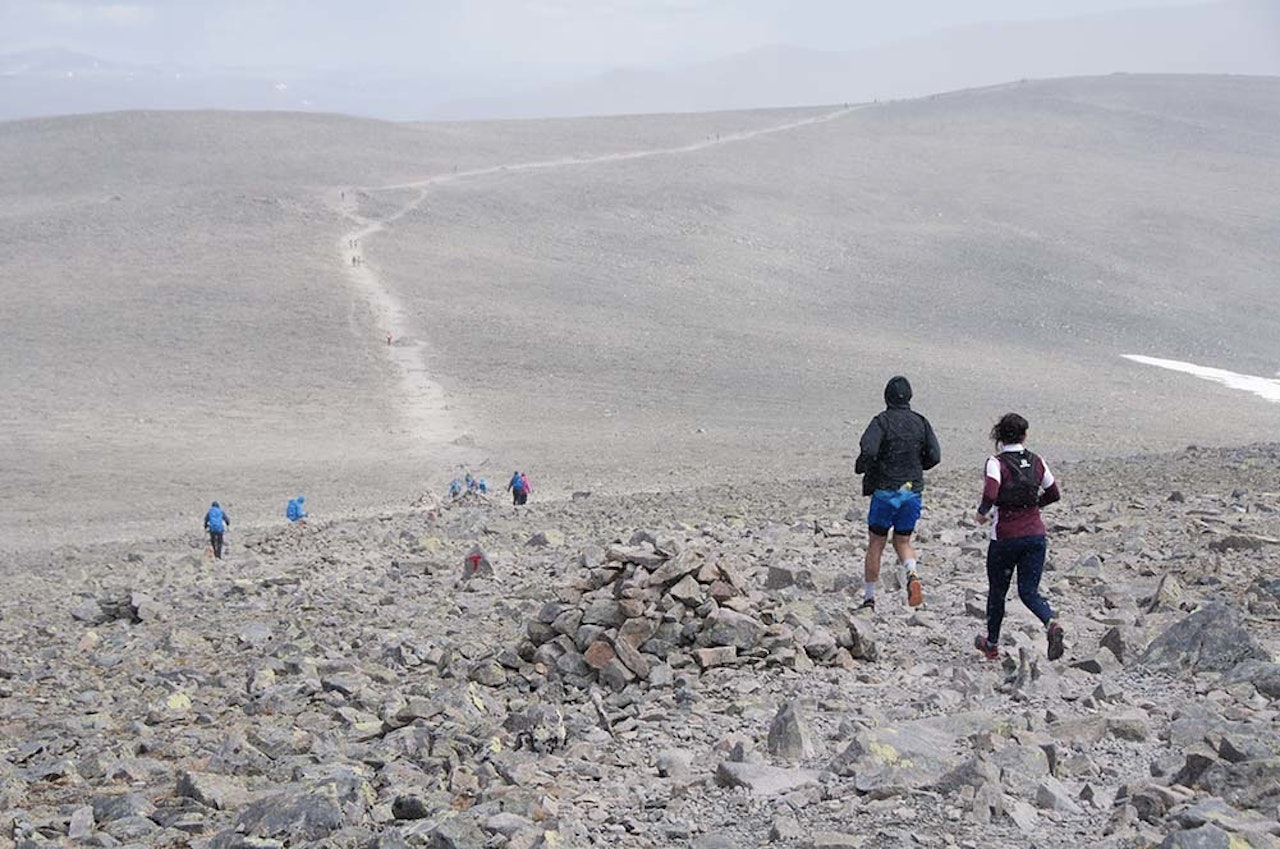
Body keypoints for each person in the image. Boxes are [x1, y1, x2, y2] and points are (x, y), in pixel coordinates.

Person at [974, 413, 1065, 661]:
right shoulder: (1037, 461)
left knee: (998, 592)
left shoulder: (996, 462)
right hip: (1035, 535)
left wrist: (982, 513)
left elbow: (991, 491)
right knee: (1028, 591)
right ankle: (1051, 622)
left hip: (1005, 537)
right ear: (1025, 435)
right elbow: (1054, 492)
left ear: (999, 436)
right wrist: (1034, 505)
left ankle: (992, 643)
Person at [854, 376, 941, 611]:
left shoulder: (881, 422)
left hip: (885, 491)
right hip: (912, 491)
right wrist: (916, 466)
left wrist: (867, 467)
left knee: (876, 542)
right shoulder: (921, 422)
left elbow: (869, 449)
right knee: (903, 540)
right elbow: (935, 455)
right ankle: (912, 574)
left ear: (886, 397)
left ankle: (869, 598)